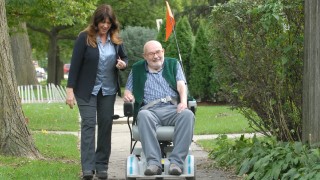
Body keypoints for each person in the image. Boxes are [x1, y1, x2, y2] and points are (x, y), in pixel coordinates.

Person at [65, 4, 128, 180]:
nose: (105, 26)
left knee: (106, 125)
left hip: (108, 90)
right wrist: (70, 91)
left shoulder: (115, 39)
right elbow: (75, 65)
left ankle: (101, 166)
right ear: (96, 21)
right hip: (86, 90)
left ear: (112, 24)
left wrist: (123, 64)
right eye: (102, 22)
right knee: (88, 124)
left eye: (108, 23)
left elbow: (125, 57)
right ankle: (87, 167)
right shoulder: (84, 38)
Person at [123, 40, 194, 176]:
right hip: (150, 111)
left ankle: (176, 163)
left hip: (172, 109)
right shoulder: (137, 68)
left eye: (158, 52)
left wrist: (183, 102)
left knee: (187, 115)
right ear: (144, 56)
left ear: (163, 52)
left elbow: (181, 85)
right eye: (151, 54)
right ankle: (154, 163)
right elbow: (128, 91)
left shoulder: (173, 64)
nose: (156, 56)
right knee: (143, 115)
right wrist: (128, 96)